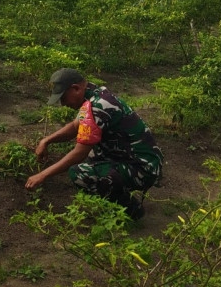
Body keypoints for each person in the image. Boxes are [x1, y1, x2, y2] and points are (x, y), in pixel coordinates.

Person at [25, 68, 163, 219]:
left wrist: (42, 175)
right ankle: (117, 191)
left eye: (63, 98)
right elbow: (75, 126)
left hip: (143, 167)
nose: (63, 104)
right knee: (94, 154)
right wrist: (47, 140)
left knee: (80, 173)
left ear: (76, 88)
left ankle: (130, 209)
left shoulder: (97, 106)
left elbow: (79, 153)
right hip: (137, 158)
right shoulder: (94, 95)